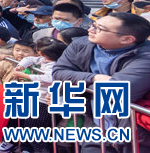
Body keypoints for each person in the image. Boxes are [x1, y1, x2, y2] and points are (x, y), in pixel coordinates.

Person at [53, 13, 150, 152]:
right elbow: (58, 73)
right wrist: (94, 78)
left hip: (134, 132)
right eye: (93, 25)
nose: (90, 30)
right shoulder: (81, 44)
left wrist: (78, 81)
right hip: (98, 126)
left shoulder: (145, 57)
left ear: (126, 39)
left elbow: (114, 92)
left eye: (100, 29)